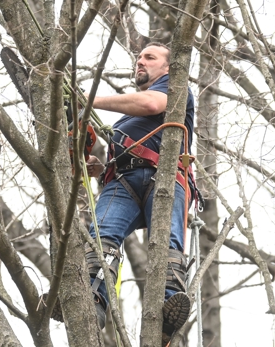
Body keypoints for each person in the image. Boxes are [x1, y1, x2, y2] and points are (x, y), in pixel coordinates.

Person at [85, 42, 195, 340]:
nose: (140, 62)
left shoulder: (175, 88)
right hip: (122, 179)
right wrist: (101, 165)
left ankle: (168, 307)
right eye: (138, 58)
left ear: (169, 67)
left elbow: (150, 105)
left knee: (165, 241)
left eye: (149, 57)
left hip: (165, 176)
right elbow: (131, 143)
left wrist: (88, 100)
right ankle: (93, 300)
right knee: (101, 236)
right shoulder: (125, 119)